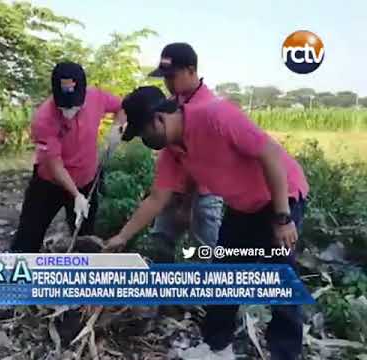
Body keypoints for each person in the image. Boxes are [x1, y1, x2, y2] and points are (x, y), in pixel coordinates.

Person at [104, 86, 309, 360]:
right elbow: (156, 199)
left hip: (280, 197)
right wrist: (122, 236)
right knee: (224, 274)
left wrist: (282, 217)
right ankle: (217, 347)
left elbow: (270, 153)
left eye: (143, 132)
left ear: (158, 119)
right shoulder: (174, 152)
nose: (144, 139)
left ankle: (285, 354)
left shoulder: (216, 116)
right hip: (243, 206)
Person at [11, 61, 126, 253]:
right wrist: (76, 196)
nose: (69, 111)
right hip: (49, 184)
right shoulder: (44, 119)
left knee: (84, 240)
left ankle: (79, 280)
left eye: (75, 105)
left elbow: (123, 106)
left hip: (86, 180)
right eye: (65, 105)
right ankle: (16, 277)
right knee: (27, 238)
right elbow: (55, 166)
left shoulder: (96, 97)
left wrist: (117, 129)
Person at [146, 42, 223, 262]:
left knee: (202, 253)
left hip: (204, 191)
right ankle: (163, 292)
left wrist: (186, 207)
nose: (167, 83)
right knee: (160, 242)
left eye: (172, 76)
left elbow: (200, 165)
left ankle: (199, 294)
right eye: (165, 77)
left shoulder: (207, 109)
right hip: (175, 187)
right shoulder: (173, 101)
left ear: (191, 70)